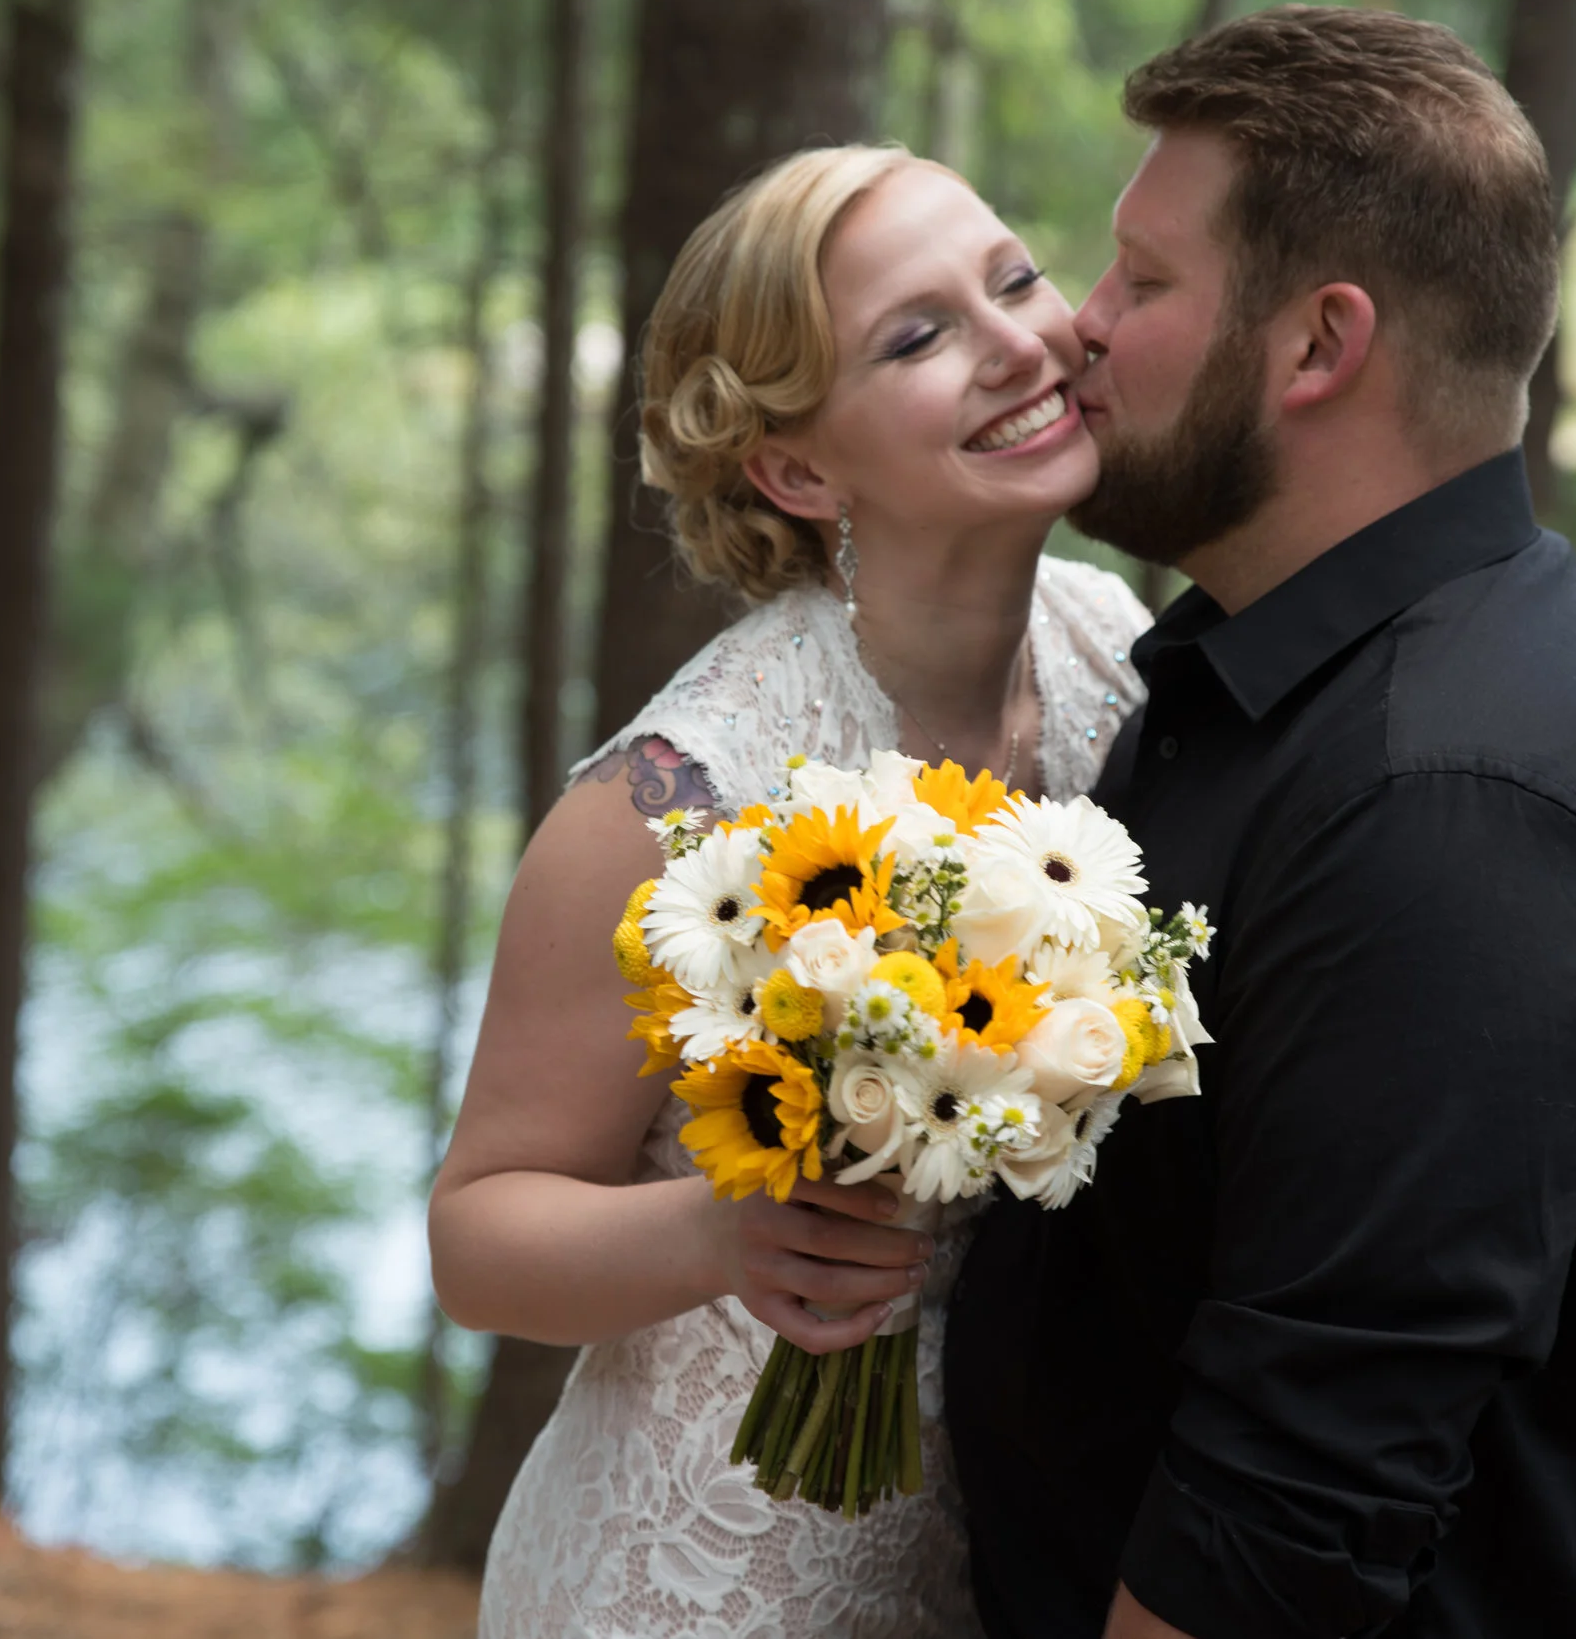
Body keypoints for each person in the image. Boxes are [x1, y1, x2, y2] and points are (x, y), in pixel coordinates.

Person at [943, 6, 1576, 1639]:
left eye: (1145, 282)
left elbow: (1287, 1522)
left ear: (1319, 346)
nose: (1079, 330)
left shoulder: (1454, 813)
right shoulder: (1267, 686)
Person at [427, 145, 1153, 1637]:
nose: (1019, 342)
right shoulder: (669, 802)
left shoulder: (1117, 658)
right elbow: (477, 1238)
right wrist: (723, 1237)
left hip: (1006, 1565)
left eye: (1013, 280)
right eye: (918, 336)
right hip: (708, 1575)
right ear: (800, 469)